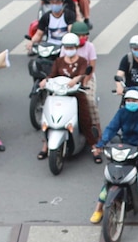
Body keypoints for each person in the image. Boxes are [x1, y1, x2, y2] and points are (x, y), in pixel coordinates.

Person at [90, 89, 138, 229]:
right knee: (110, 177)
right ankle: (98, 208)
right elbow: (111, 129)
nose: (131, 103)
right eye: (128, 100)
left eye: (134, 101)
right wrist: (100, 145)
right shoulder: (122, 113)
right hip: (125, 148)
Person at [37, 33, 98, 161]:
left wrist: (76, 79)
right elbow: (52, 75)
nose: (69, 49)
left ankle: (94, 146)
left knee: (85, 118)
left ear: (76, 47)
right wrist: (45, 81)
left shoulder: (82, 61)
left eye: (71, 47)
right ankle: (45, 145)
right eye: (67, 47)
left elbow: (83, 73)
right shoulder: (59, 61)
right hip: (59, 93)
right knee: (46, 119)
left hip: (75, 94)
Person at [64, 21, 101, 149]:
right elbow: (61, 65)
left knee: (89, 101)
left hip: (86, 79)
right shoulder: (66, 47)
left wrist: (84, 82)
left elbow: (92, 67)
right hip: (69, 80)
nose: (81, 38)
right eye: (78, 36)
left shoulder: (90, 47)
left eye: (84, 35)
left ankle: (98, 133)